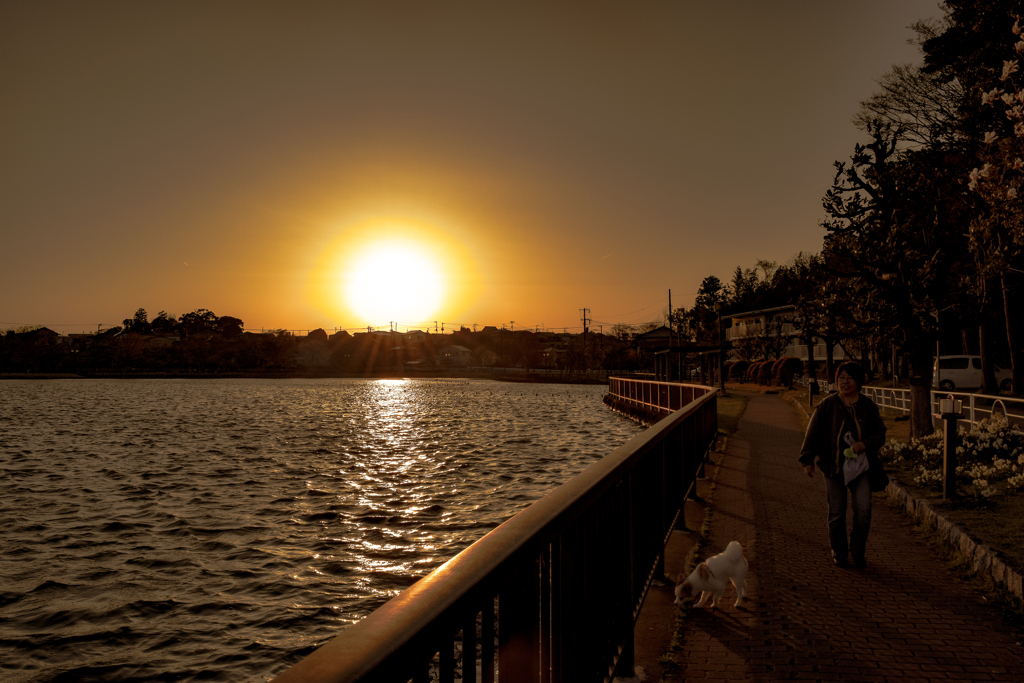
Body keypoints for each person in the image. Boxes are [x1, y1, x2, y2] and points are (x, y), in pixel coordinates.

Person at [799, 362, 886, 569]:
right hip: (833, 467)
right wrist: (807, 460)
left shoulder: (867, 406)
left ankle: (857, 551)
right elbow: (813, 433)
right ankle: (839, 552)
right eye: (841, 378)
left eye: (850, 378)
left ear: (858, 382)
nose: (845, 382)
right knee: (837, 513)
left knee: (863, 511)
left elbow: (880, 433)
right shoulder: (827, 405)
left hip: (861, 469)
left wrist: (863, 444)